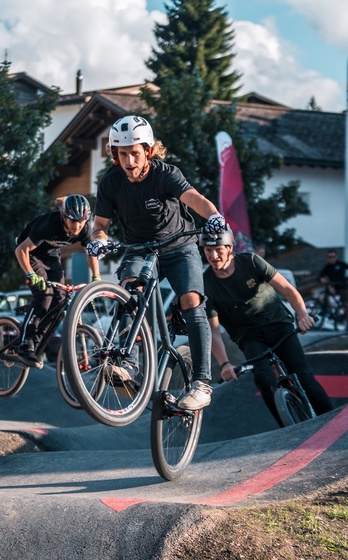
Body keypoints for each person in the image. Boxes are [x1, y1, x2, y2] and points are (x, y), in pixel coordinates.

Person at [86, 114, 225, 409]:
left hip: (179, 247)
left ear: (148, 151)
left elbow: (194, 198)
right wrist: (98, 239)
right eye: (122, 154)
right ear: (115, 155)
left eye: (135, 153)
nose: (129, 161)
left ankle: (202, 383)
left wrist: (213, 216)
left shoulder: (165, 174)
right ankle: (128, 364)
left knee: (191, 301)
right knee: (130, 292)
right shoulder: (110, 182)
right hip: (139, 249)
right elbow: (100, 225)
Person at [199, 227, 334, 427]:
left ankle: (334, 422)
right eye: (208, 250)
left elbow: (288, 290)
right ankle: (285, 429)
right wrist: (225, 363)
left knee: (303, 375)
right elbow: (214, 331)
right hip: (249, 336)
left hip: (278, 323)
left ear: (230, 248)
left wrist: (303, 315)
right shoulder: (206, 284)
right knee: (263, 379)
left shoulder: (251, 262)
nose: (213, 256)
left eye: (218, 249)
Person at [11, 194, 100, 366]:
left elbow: (91, 253)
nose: (77, 226)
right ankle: (24, 345)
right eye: (73, 221)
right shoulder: (49, 224)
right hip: (31, 254)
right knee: (44, 296)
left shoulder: (85, 229)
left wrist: (96, 277)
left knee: (60, 300)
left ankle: (36, 346)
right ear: (64, 217)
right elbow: (21, 250)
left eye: (81, 222)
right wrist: (30, 274)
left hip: (51, 257)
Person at [318, 249, 348, 329]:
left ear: (336, 257)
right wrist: (323, 280)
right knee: (324, 296)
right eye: (330, 257)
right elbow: (320, 276)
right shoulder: (327, 267)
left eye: (333, 257)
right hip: (333, 287)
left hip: (343, 287)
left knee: (345, 303)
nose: (331, 259)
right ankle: (325, 310)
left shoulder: (341, 264)